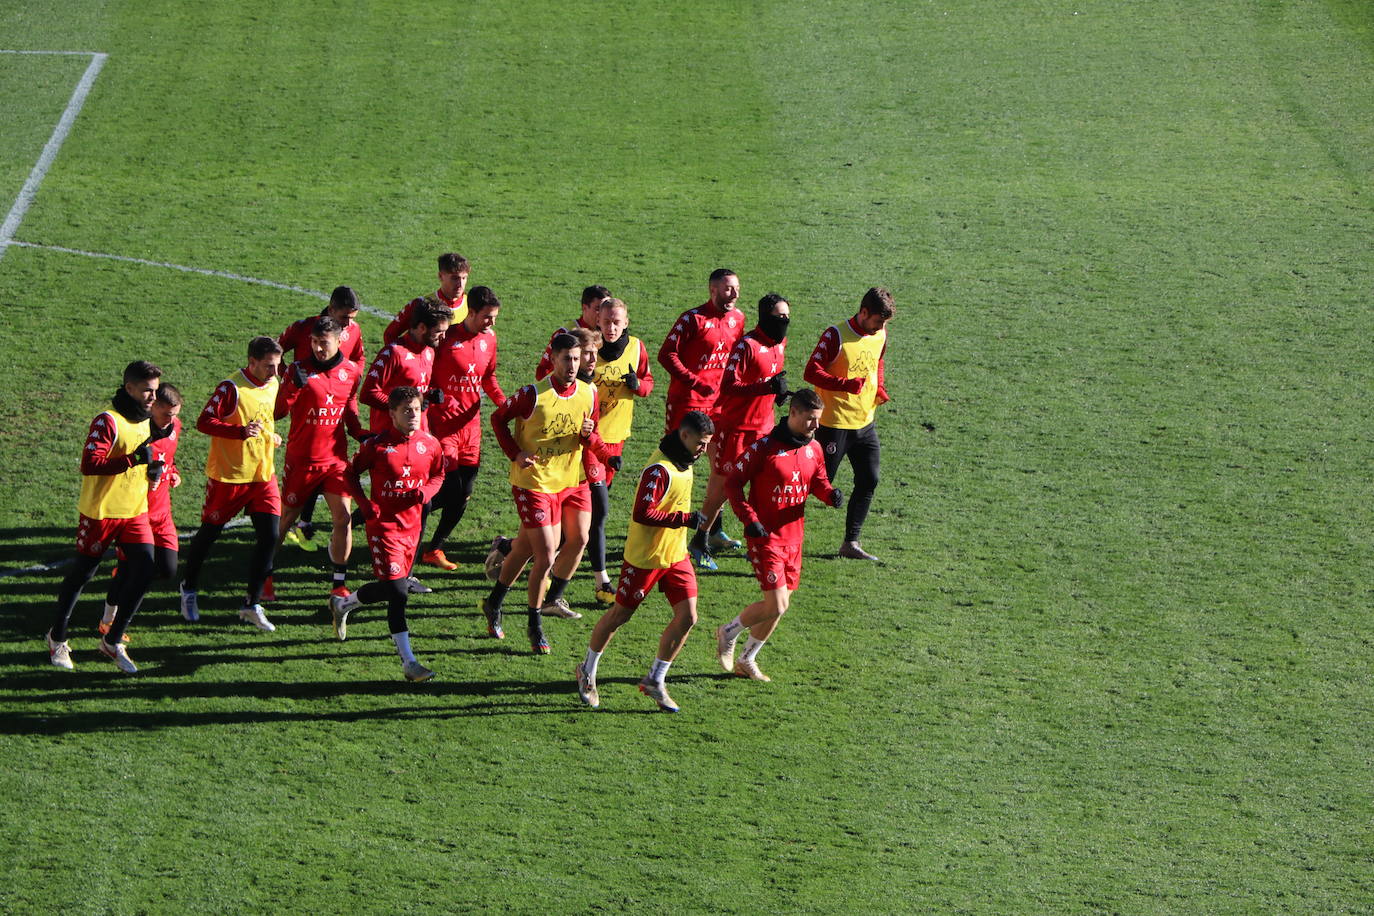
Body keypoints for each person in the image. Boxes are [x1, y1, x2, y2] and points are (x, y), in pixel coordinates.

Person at [575, 411, 712, 712]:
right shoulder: (659, 470)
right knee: (619, 616)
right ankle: (586, 669)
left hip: (675, 555)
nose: (704, 449)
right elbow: (642, 513)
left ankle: (655, 679)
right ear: (684, 436)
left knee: (688, 617)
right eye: (701, 443)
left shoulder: (686, 460)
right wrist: (684, 519)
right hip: (645, 558)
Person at [483, 330, 604, 654]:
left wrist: (591, 437)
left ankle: (494, 602)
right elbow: (497, 419)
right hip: (534, 482)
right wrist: (515, 453)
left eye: (577, 359)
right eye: (566, 359)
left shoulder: (589, 392)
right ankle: (535, 623)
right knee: (546, 554)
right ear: (552, 360)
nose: (572, 365)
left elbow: (593, 438)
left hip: (572, 480)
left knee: (573, 540)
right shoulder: (532, 395)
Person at [714, 389, 843, 682]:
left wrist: (830, 495)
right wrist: (749, 520)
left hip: (794, 538)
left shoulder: (814, 448)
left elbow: (818, 481)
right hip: (766, 537)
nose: (816, 426)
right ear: (794, 413)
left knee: (779, 608)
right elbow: (733, 484)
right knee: (777, 604)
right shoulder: (764, 448)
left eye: (818, 420)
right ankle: (728, 631)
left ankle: (747, 659)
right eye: (811, 419)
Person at [45, 361, 164, 673]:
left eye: (155, 390)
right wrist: (132, 459)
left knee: (145, 569)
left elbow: (145, 456)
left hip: (134, 510)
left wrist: (153, 470)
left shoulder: (147, 418)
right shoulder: (107, 421)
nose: (153, 397)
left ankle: (111, 642)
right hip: (101, 513)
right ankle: (57, 638)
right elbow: (89, 463)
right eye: (147, 391)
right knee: (83, 575)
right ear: (129, 389)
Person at [331, 387, 446, 682]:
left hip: (413, 527)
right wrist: (366, 506)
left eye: (417, 410)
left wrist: (426, 493)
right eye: (406, 410)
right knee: (397, 590)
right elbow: (350, 473)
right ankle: (409, 662)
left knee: (397, 593)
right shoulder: (377, 446)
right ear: (392, 413)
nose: (412, 415)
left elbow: (439, 475)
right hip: (383, 527)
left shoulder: (430, 444)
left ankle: (344, 604)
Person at [178, 336, 284, 631]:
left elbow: (264, 418)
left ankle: (251, 604)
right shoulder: (231, 388)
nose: (274, 372)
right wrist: (239, 432)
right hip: (229, 476)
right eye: (268, 366)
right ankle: (188, 588)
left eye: (276, 366)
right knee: (209, 534)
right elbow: (203, 422)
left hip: (263, 475)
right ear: (251, 362)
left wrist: (269, 436)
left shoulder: (273, 383)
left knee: (270, 536)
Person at [690, 292, 790, 571]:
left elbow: (767, 380)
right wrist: (765, 388)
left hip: (763, 430)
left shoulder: (780, 344)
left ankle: (755, 545)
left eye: (787, 316)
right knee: (719, 491)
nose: (784, 321)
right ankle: (699, 541)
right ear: (765, 316)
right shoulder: (746, 346)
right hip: (735, 431)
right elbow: (729, 387)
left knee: (761, 489)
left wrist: (776, 393)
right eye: (779, 316)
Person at [361, 297, 451, 593]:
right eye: (438, 331)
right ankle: (389, 576)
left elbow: (418, 393)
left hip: (420, 447)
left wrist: (426, 399)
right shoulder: (394, 352)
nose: (442, 337)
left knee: (419, 510)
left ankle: (405, 574)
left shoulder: (428, 351)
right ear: (421, 327)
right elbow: (368, 392)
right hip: (390, 447)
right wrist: (401, 407)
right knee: (388, 511)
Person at [657, 268, 746, 564]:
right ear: (712, 290)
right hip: (688, 405)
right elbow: (666, 354)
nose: (732, 294)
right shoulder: (692, 319)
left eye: (735, 288)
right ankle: (664, 527)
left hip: (721, 406)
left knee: (722, 468)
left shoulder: (738, 320)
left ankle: (712, 531)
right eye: (726, 289)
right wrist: (695, 381)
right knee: (679, 467)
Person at [272, 316, 364, 601]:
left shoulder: (351, 372)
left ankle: (339, 581)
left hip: (335, 459)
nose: (318, 348)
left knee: (343, 518)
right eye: (314, 342)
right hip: (302, 459)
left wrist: (363, 434)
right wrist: (291, 388)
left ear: (339, 342)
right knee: (286, 519)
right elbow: (277, 412)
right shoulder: (298, 370)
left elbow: (349, 409)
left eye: (323, 343)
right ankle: (264, 573)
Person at [420, 286, 506, 571]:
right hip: (443, 427)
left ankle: (434, 548)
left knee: (465, 492)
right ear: (471, 312)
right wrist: (432, 401)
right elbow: (425, 375)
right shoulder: (446, 339)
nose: (492, 322)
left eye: (494, 317)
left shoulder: (489, 339)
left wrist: (505, 406)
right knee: (452, 486)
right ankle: (399, 515)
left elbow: (489, 379)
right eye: (487, 317)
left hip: (471, 427)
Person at [804, 287, 893, 561]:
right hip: (833, 424)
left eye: (884, 323)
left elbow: (877, 360)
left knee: (869, 480)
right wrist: (843, 384)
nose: (880, 327)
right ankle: (771, 538)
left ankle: (850, 543)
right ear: (863, 312)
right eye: (877, 321)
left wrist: (879, 386)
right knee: (813, 486)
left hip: (865, 423)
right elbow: (811, 371)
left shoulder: (880, 332)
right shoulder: (836, 335)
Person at [101, 383, 184, 642]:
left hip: (163, 513)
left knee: (168, 569)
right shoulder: (138, 431)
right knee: (130, 571)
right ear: (153, 407)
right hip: (138, 512)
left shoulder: (176, 427)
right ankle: (108, 622)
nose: (171, 420)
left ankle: (123, 587)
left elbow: (168, 459)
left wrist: (172, 473)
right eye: (166, 414)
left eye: (175, 414)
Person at [586, 297, 654, 605]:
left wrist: (638, 385)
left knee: (582, 514)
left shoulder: (636, 348)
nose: (612, 327)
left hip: (616, 441)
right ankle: (602, 580)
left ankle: (509, 548)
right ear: (597, 320)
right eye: (606, 321)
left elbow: (649, 383)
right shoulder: (587, 349)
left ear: (626, 322)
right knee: (598, 511)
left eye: (617, 322)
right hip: (588, 442)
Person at [382, 253, 469, 346]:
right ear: (440, 276)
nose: (460, 284)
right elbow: (390, 335)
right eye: (455, 278)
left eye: (464, 278)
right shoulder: (421, 304)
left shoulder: (471, 304)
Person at [534, 285, 610, 380]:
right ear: (584, 308)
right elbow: (542, 372)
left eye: (606, 309)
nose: (603, 314)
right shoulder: (565, 333)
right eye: (598, 309)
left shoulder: (611, 333)